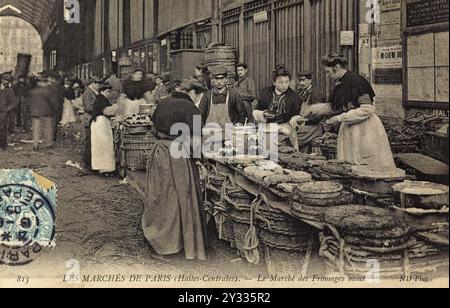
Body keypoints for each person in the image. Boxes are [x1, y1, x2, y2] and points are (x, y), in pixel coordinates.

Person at [142, 78, 207, 261]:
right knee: (180, 200)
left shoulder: (163, 104)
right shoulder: (191, 109)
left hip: (159, 152)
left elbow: (153, 129)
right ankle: (173, 245)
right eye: (198, 95)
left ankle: (159, 240)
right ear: (193, 93)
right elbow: (196, 139)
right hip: (177, 155)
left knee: (161, 198)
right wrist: (199, 161)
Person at [322, 53, 395, 168]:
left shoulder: (356, 81)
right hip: (351, 128)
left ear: (336, 67)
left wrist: (339, 118)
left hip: (365, 128)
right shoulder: (339, 84)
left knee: (367, 165)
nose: (327, 76)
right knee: (350, 166)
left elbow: (367, 109)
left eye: (328, 72)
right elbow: (338, 107)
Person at [253, 65, 301, 148]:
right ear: (274, 82)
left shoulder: (294, 97)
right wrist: (263, 114)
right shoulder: (265, 92)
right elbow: (255, 111)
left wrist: (295, 119)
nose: (284, 85)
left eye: (287, 82)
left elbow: (296, 115)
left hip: (285, 128)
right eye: (281, 82)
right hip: (266, 127)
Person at [289, 72, 326, 153]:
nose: (301, 83)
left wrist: (303, 120)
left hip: (314, 127)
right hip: (302, 125)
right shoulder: (299, 92)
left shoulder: (316, 94)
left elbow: (317, 117)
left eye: (303, 80)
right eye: (299, 80)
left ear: (310, 80)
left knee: (292, 138)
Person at [90, 83, 119, 175]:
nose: (109, 93)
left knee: (100, 146)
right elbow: (107, 111)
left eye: (109, 91)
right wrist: (116, 107)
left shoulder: (101, 98)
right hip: (100, 123)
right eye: (107, 91)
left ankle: (99, 167)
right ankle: (104, 168)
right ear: (102, 91)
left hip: (99, 123)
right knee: (103, 145)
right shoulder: (101, 99)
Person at [29, 74, 59, 151]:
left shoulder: (33, 90)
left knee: (36, 129)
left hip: (34, 113)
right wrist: (56, 109)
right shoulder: (48, 91)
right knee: (47, 127)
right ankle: (48, 143)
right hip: (46, 112)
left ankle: (35, 144)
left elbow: (29, 102)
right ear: (45, 82)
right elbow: (53, 102)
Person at [82, 76, 102, 169]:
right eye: (97, 83)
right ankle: (87, 162)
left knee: (92, 140)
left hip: (93, 118)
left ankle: (91, 161)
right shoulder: (88, 93)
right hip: (89, 118)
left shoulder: (94, 92)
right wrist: (101, 109)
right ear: (93, 83)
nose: (99, 85)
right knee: (89, 141)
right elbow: (89, 107)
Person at [0, 74, 18, 151]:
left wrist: (7, 109)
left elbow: (14, 102)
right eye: (4, 80)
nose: (4, 82)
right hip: (3, 111)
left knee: (3, 128)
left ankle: (3, 145)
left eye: (6, 80)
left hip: (3, 112)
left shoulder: (9, 90)